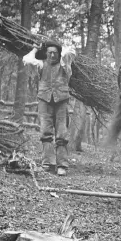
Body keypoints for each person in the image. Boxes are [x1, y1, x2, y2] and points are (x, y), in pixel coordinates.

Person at [23, 40, 76, 176]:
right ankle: (48, 163)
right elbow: (27, 60)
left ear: (59, 54)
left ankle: (62, 165)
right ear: (46, 54)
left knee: (62, 133)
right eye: (50, 53)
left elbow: (71, 52)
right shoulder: (41, 65)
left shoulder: (65, 66)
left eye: (55, 53)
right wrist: (35, 49)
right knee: (45, 132)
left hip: (61, 101)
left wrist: (60, 48)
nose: (52, 55)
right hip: (44, 101)